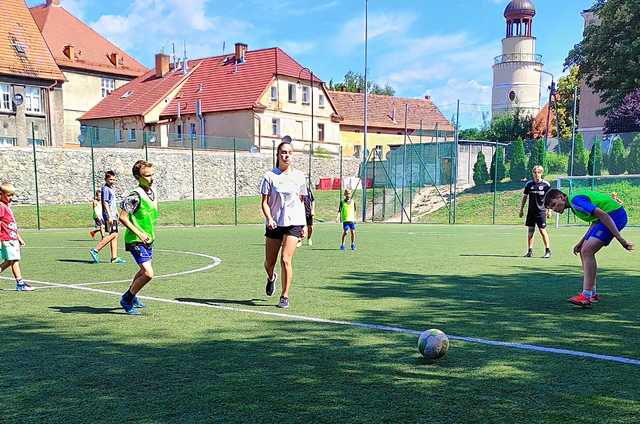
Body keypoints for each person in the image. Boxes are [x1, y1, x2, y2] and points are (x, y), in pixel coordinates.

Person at [544, 188, 634, 307]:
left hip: (615, 216)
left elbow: (604, 215)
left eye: (554, 204)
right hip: (608, 217)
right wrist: (581, 242)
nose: (554, 209)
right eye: (551, 208)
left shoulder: (576, 201)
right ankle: (591, 293)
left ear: (561, 197)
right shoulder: (573, 204)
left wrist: (620, 239)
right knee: (583, 250)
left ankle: (586, 296)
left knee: (587, 251)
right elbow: (596, 220)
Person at [259, 137, 307, 309]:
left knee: (286, 259)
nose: (286, 156)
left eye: (289, 153)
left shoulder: (300, 177)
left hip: (293, 223)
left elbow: (302, 201)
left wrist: (304, 225)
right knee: (269, 264)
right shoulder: (269, 176)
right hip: (274, 224)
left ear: (292, 156)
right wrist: (270, 219)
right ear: (278, 155)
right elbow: (264, 202)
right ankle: (271, 277)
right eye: (283, 152)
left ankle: (284, 296)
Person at [118, 160, 158, 315]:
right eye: (147, 176)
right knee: (148, 273)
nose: (151, 178)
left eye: (152, 174)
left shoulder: (152, 191)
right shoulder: (134, 195)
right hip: (135, 240)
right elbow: (123, 217)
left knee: (143, 272)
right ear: (137, 176)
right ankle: (127, 299)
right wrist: (139, 233)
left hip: (148, 238)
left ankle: (132, 296)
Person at [0, 182, 32, 291]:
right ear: (1, 194)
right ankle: (20, 283)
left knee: (9, 261)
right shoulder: (1, 207)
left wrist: (19, 237)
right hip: (7, 238)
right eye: (9, 195)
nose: (11, 198)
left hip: (12, 238)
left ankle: (20, 283)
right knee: (14, 260)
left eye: (12, 195)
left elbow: (11, 225)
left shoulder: (6, 206)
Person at [89, 171, 125, 264]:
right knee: (113, 234)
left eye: (113, 179)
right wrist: (109, 216)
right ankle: (95, 250)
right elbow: (105, 203)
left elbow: (112, 202)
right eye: (110, 179)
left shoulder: (110, 188)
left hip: (113, 214)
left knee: (115, 235)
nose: (112, 181)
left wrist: (116, 212)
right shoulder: (105, 188)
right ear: (106, 179)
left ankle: (114, 258)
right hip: (109, 215)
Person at [519, 165, 551, 258]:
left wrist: (549, 210)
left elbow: (549, 198)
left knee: (542, 230)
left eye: (538, 172)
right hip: (531, 212)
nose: (536, 174)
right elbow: (525, 197)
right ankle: (529, 251)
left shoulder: (546, 185)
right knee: (530, 231)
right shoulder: (529, 184)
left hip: (541, 211)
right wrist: (521, 210)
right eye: (535, 172)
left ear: (541, 173)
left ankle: (548, 250)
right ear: (532, 173)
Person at [298, 183, 315, 247]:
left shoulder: (309, 191)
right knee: (301, 227)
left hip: (309, 212)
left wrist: (312, 210)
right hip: (301, 213)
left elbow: (313, 201)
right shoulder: (298, 192)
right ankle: (300, 240)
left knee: (310, 227)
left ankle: (309, 238)